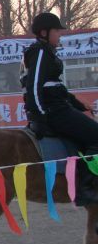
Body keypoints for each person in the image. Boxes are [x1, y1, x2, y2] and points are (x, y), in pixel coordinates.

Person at [21, 12, 98, 204]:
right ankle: (85, 188)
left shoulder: (47, 52)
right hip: (54, 112)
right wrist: (39, 116)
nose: (60, 34)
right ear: (45, 32)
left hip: (59, 107)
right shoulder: (39, 52)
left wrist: (79, 104)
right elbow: (34, 86)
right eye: (57, 31)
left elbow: (55, 88)